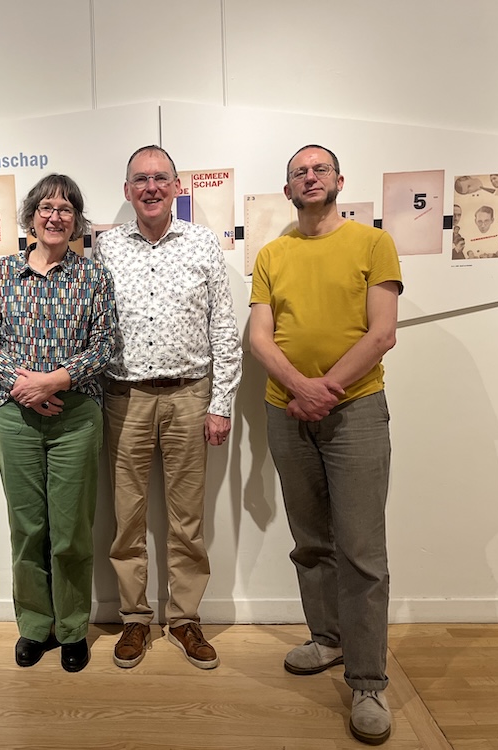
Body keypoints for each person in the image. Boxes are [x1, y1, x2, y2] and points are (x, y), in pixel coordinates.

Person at [249, 144, 402, 746]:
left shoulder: (372, 243)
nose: (309, 178)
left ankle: (367, 681)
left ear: (339, 180)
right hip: (285, 412)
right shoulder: (271, 254)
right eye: (298, 173)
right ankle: (329, 639)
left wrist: (324, 390)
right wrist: (298, 389)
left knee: (362, 549)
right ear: (287, 190)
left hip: (356, 410)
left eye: (319, 169)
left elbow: (382, 332)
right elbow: (261, 336)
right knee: (311, 540)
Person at [93, 145, 242, 671]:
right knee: (126, 518)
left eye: (160, 178)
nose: (151, 187)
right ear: (127, 190)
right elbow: (93, 329)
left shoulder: (203, 245)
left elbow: (224, 329)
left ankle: (184, 618)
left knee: (187, 519)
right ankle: (134, 618)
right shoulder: (105, 250)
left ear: (177, 186)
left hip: (189, 395)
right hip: (123, 398)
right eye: (141, 180)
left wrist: (220, 402)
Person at [0, 173, 116, 674]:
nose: (55, 216)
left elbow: (105, 346)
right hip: (16, 416)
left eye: (65, 208)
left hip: (76, 417)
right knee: (27, 528)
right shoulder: (2, 273)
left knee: (72, 532)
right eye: (46, 207)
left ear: (76, 220)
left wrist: (54, 381)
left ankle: (73, 626)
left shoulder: (93, 276)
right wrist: (25, 387)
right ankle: (36, 626)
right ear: (31, 216)